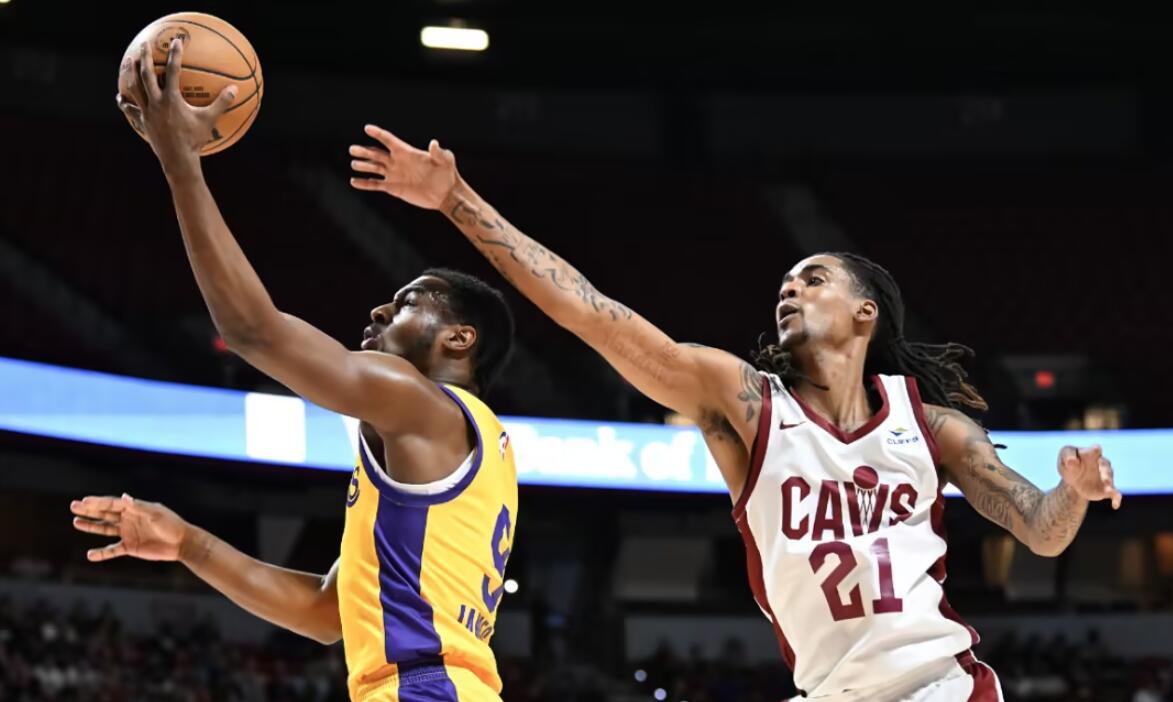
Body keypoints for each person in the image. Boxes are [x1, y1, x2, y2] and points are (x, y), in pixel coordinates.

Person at [347, 125, 1122, 701]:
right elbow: (594, 315)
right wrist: (454, 199)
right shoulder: (744, 405)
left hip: (939, 687)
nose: (789, 289)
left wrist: (1073, 493)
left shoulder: (930, 426)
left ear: (865, 314)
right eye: (784, 282)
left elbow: (1040, 531)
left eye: (812, 278)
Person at [72, 40, 519, 702]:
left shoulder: (424, 405)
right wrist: (189, 544)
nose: (379, 310)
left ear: (459, 339)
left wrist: (181, 162)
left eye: (408, 303)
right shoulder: (459, 446)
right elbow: (324, 614)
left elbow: (253, 331)